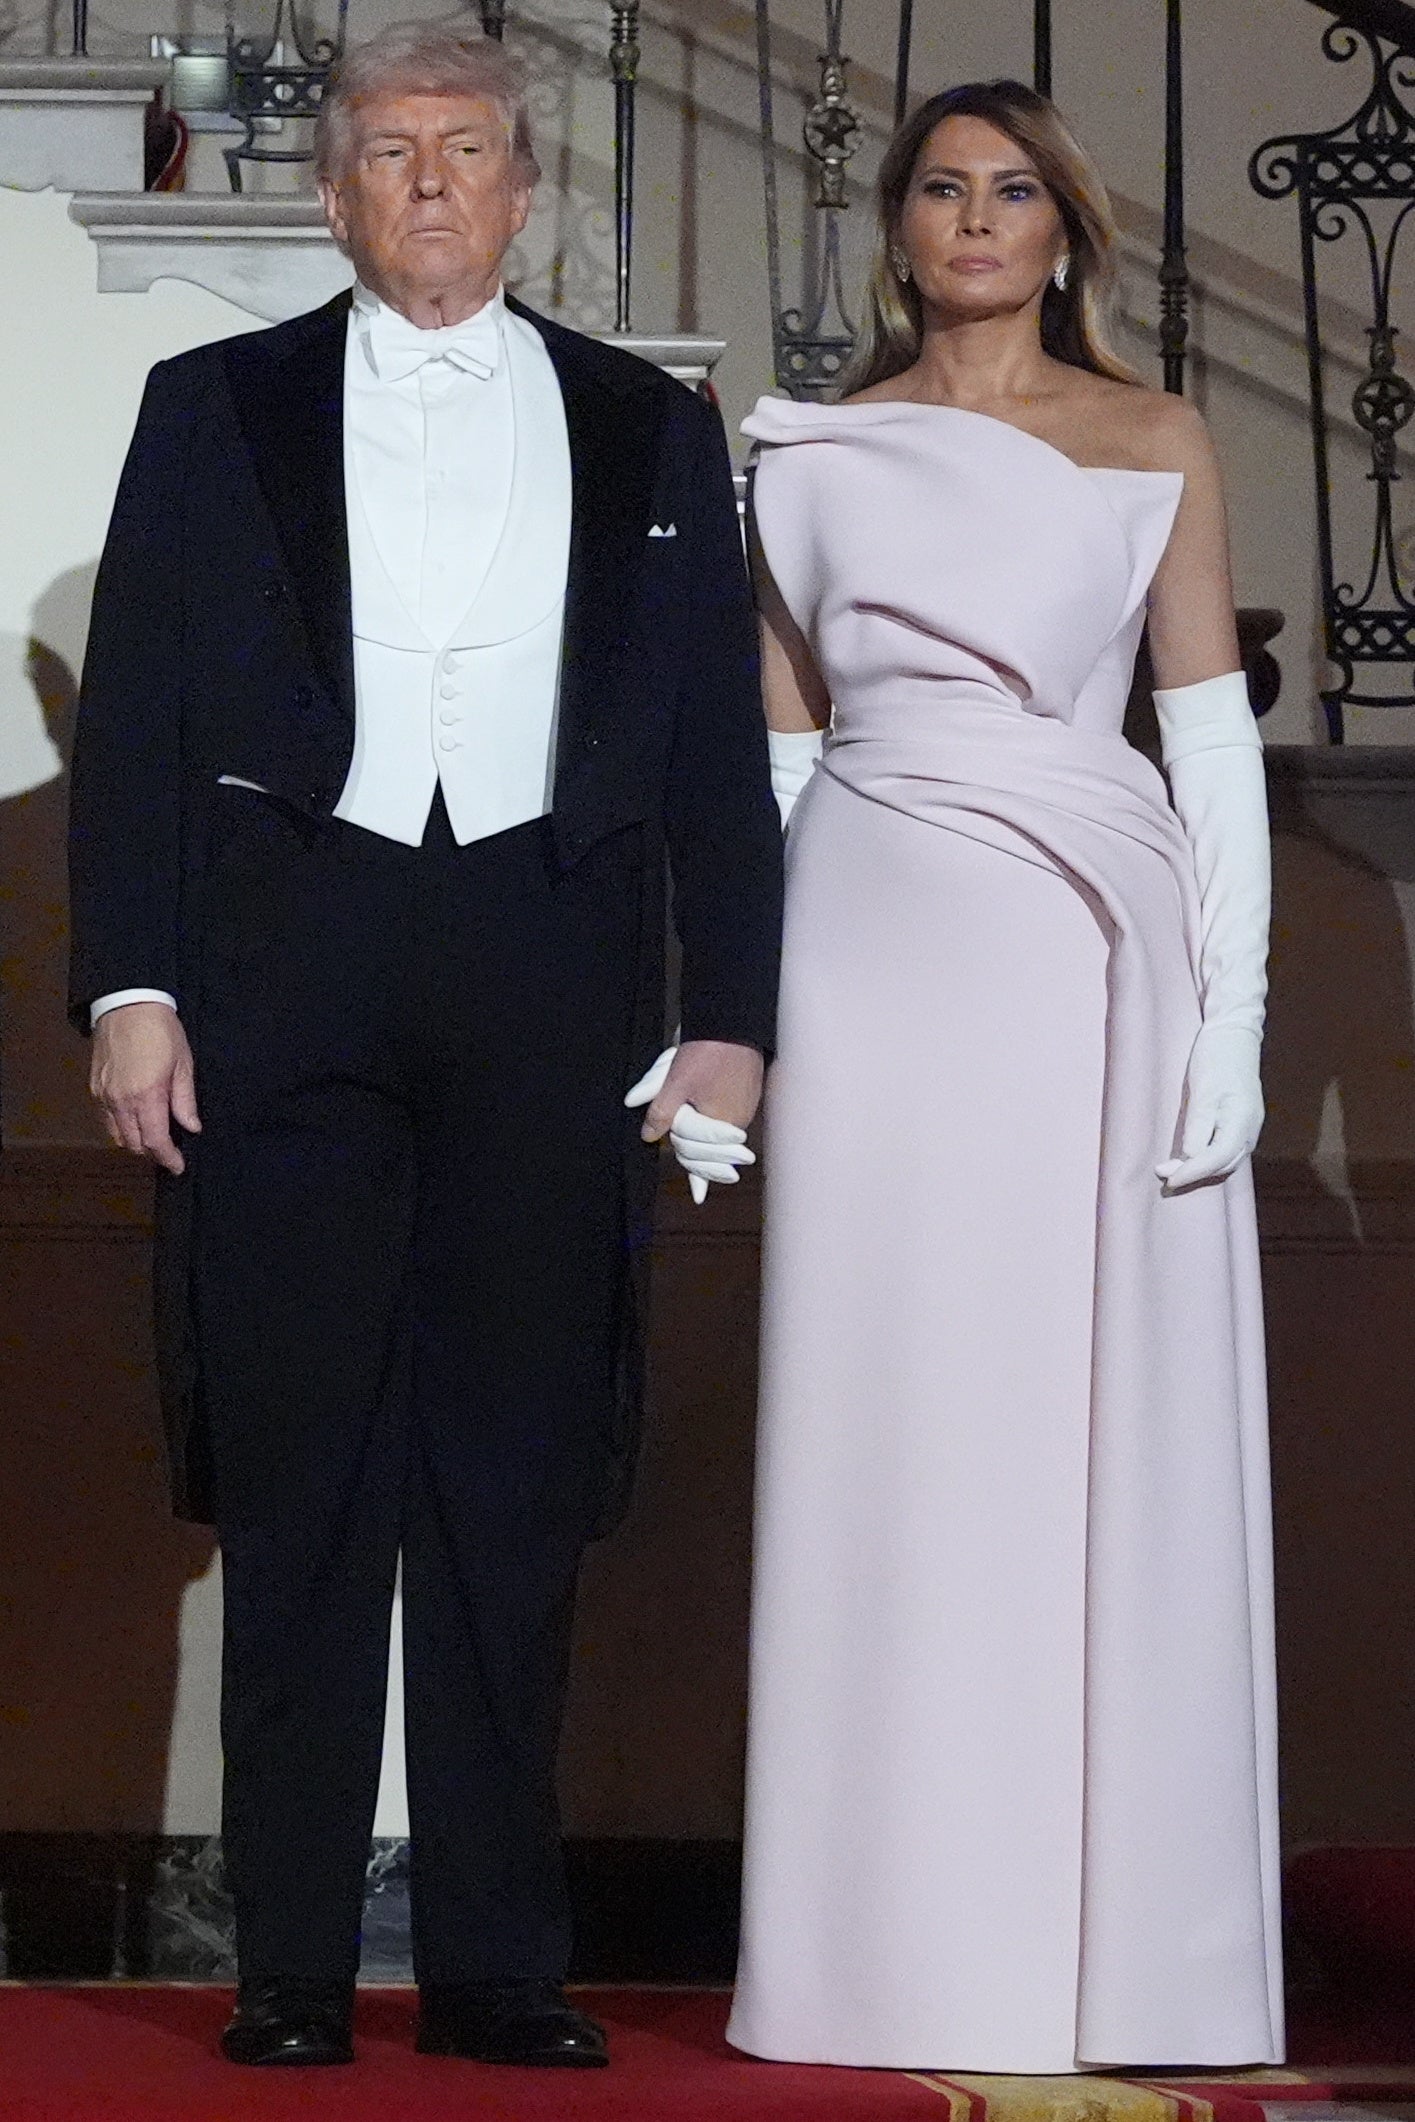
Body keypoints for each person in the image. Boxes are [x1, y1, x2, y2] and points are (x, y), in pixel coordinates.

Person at [68, 24, 782, 2071]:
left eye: (468, 149)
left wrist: (733, 1015)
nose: (434, 183)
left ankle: (495, 1963)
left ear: (524, 188)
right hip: (289, 953)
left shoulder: (647, 425)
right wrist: (130, 986)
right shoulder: (213, 406)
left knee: (512, 1473)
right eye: (391, 153)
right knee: (302, 1469)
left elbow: (716, 754)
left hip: (552, 966)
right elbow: (137, 711)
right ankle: (292, 1962)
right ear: (333, 195)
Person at [727, 80, 1282, 2073]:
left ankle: (1106, 1947)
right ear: (900, 225)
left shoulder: (1153, 438)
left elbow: (1207, 737)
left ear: (1065, 232)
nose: (977, 219)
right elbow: (780, 754)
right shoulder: (807, 449)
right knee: (887, 1419)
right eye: (945, 188)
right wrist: (742, 1018)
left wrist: (1236, 1018)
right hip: (868, 941)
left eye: (1014, 190)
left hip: (1084, 948)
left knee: (1070, 1419)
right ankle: (879, 1949)